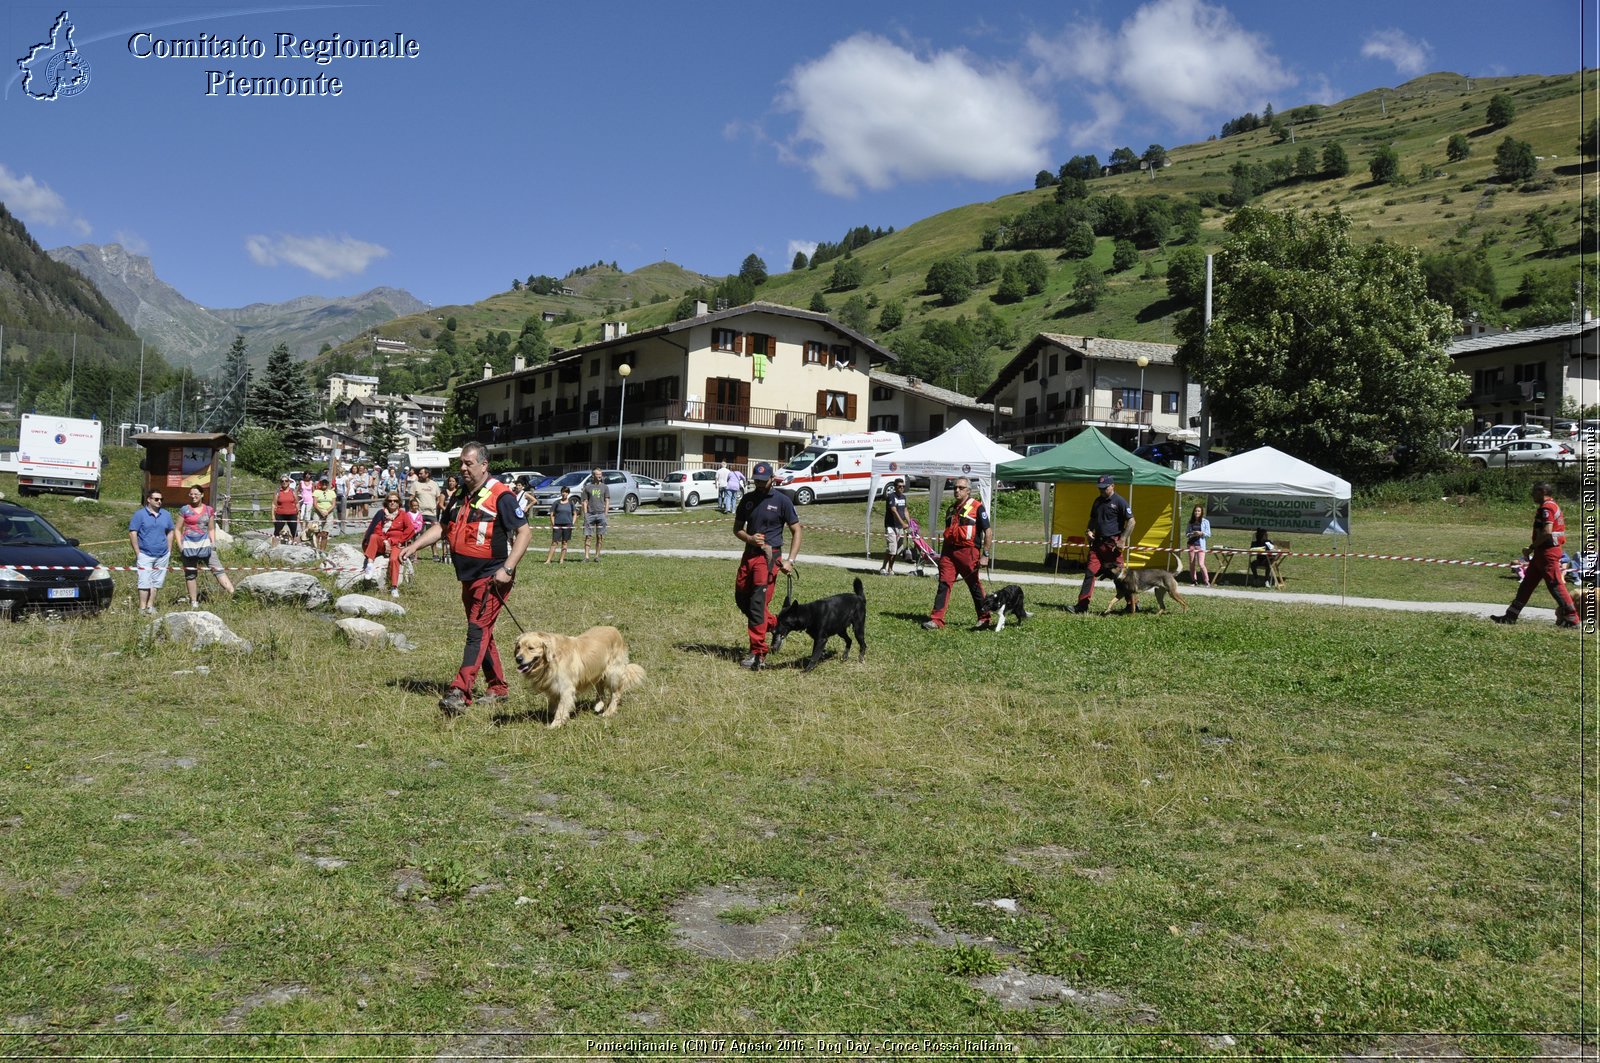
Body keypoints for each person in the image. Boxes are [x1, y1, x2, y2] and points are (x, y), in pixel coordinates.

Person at [401, 442, 533, 715]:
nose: (462, 468)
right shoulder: (460, 494)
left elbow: (524, 533)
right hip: (467, 576)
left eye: (468, 463)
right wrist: (414, 546)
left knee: (476, 630)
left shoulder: (501, 495)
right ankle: (497, 687)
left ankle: (460, 691)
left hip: (492, 577)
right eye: (461, 463)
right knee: (482, 631)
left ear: (484, 465)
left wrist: (507, 570)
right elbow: (442, 527)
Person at [733, 461, 801, 669]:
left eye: (764, 481)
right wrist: (750, 539)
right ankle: (776, 626)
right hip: (749, 556)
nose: (760, 485)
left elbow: (797, 531)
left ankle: (758, 654)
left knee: (756, 605)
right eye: (757, 481)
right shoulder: (748, 499)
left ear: (773, 479)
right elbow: (737, 529)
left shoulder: (782, 501)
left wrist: (790, 560)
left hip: (769, 559)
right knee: (742, 598)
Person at [1493, 482, 1579, 628]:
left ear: (1542, 491)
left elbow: (1547, 532)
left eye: (1534, 492)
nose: (1532, 494)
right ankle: (1511, 616)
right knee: (1527, 584)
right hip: (1542, 553)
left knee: (1555, 584)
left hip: (1548, 552)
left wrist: (1531, 547)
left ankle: (1572, 618)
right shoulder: (1552, 505)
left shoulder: (1547, 507)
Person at [923, 477, 993, 630]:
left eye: (961, 488)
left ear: (968, 490)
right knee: (944, 583)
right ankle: (936, 619)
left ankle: (984, 618)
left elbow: (988, 531)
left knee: (974, 585)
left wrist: (985, 554)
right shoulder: (951, 509)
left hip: (968, 552)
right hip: (949, 552)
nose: (957, 490)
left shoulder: (977, 507)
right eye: (955, 487)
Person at [1073, 475, 1132, 613]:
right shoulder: (1097, 501)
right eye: (1100, 488)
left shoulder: (1120, 501)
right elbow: (1092, 519)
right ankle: (1082, 606)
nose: (1101, 491)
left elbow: (1131, 521)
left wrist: (1122, 539)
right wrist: (1088, 531)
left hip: (1112, 547)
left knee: (1121, 577)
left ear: (1112, 486)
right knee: (1090, 573)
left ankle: (1131, 604)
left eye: (1104, 488)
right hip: (1097, 545)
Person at [175, 485, 236, 608]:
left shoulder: (209, 510)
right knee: (190, 573)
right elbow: (177, 529)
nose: (193, 496)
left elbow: (211, 528)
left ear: (202, 495)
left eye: (196, 494)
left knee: (217, 569)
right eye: (191, 494)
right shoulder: (184, 510)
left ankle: (233, 594)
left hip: (205, 544)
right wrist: (180, 546)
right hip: (188, 545)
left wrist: (213, 544)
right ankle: (194, 602)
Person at [362, 489, 418, 598]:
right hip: (384, 541)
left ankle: (394, 587)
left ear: (399, 503)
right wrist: (384, 541)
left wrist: (397, 541)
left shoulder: (403, 515)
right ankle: (369, 565)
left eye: (395, 501)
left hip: (396, 543)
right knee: (374, 537)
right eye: (390, 500)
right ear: (386, 502)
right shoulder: (381, 513)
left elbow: (410, 530)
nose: (392, 503)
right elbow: (376, 529)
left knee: (394, 559)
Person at [128, 487, 174, 615]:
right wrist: (137, 552)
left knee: (156, 582)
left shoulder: (166, 515)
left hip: (162, 554)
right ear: (149, 500)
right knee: (144, 581)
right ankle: (142, 607)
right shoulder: (140, 514)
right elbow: (133, 533)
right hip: (145, 554)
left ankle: (150, 606)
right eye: (156, 499)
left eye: (161, 499)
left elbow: (170, 531)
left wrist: (169, 549)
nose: (159, 501)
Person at [408, 466, 443, 561]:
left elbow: (438, 498)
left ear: (427, 474)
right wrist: (411, 511)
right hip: (419, 513)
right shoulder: (415, 484)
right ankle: (413, 554)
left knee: (433, 534)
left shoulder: (434, 484)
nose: (419, 475)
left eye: (421, 473)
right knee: (415, 534)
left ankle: (435, 554)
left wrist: (436, 508)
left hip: (432, 513)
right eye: (419, 473)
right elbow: (411, 498)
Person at [880, 478, 909, 575]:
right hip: (891, 526)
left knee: (897, 550)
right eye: (899, 486)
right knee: (892, 549)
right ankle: (884, 568)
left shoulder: (903, 497)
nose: (901, 488)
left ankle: (890, 568)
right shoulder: (891, 497)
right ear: (895, 487)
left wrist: (910, 522)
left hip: (900, 528)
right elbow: (894, 510)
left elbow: (905, 510)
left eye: (903, 486)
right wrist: (903, 523)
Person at [580, 467, 608, 562]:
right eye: (597, 474)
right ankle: (587, 557)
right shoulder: (587, 487)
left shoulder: (605, 487)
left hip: (601, 515)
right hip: (590, 514)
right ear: (593, 476)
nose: (600, 476)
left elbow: (607, 500)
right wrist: (586, 513)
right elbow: (584, 501)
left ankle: (597, 556)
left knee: (599, 536)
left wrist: (605, 513)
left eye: (600, 474)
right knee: (588, 536)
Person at [547, 485, 577, 564]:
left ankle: (561, 560)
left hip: (567, 525)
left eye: (566, 492)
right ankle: (548, 560)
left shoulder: (571, 503)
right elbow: (552, 514)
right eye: (563, 492)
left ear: (568, 493)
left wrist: (572, 523)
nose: (564, 494)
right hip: (557, 525)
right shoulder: (556, 503)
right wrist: (553, 523)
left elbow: (574, 514)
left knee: (564, 542)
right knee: (554, 543)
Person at [1185, 504, 1212, 586]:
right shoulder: (1191, 522)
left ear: (1201, 512)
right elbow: (1186, 533)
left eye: (1198, 511)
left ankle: (1206, 581)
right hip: (1191, 544)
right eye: (1196, 511)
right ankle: (1194, 581)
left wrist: (1201, 533)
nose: (1197, 512)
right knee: (1192, 563)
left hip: (1200, 545)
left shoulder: (1205, 522)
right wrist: (1191, 534)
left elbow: (1208, 534)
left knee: (1201, 564)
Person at [310, 477, 338, 555]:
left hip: (328, 513)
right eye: (323, 483)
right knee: (317, 532)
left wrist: (327, 511)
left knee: (325, 533)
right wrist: (321, 511)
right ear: (320, 483)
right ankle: (316, 550)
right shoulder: (316, 492)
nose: (324, 484)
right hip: (318, 512)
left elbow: (333, 504)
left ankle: (322, 550)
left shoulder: (332, 492)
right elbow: (315, 503)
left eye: (326, 483)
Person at [438, 474, 460, 564]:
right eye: (450, 481)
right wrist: (448, 511)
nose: (451, 483)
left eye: (453, 481)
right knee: (445, 536)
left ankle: (453, 554)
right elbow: (440, 504)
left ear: (456, 483)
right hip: (446, 516)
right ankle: (444, 555)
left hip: (455, 517)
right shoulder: (444, 492)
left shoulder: (459, 492)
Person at [272, 475, 299, 544]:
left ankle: (298, 547)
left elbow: (297, 503)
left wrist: (298, 514)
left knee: (294, 532)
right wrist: (273, 516)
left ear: (289, 482)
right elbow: (274, 504)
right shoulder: (277, 492)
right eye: (282, 481)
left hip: (292, 514)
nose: (284, 482)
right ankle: (273, 548)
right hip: (280, 514)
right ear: (280, 482)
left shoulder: (293, 491)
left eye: (286, 481)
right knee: (277, 532)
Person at [297, 473, 316, 541]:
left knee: (307, 516)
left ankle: (306, 529)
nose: (307, 476)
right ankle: (302, 528)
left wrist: (314, 501)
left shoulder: (312, 483)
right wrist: (298, 497)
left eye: (309, 475)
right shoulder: (301, 482)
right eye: (306, 475)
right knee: (301, 516)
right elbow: (298, 490)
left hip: (310, 500)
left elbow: (314, 492)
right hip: (302, 500)